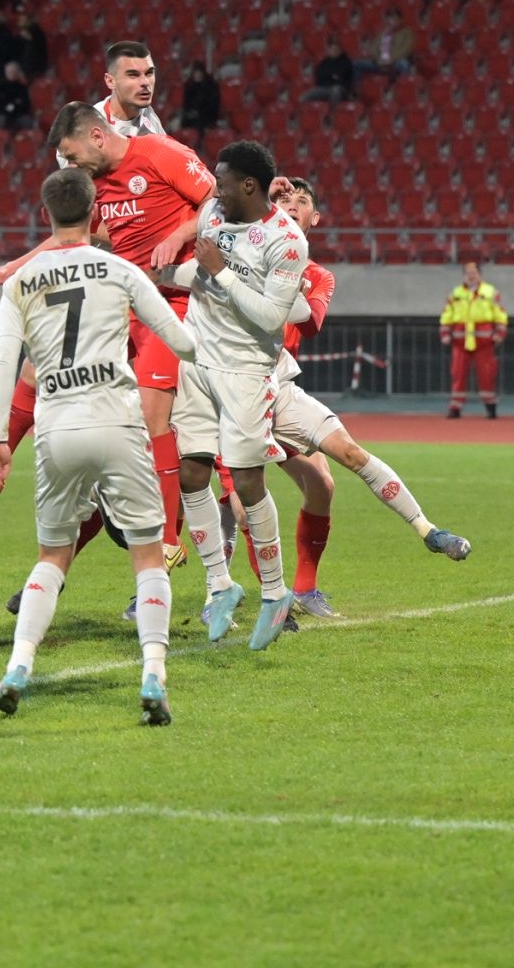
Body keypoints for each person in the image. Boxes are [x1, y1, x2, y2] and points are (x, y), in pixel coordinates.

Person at [0, 168, 197, 723]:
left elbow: (4, 361)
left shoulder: (22, 281)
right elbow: (182, 340)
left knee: (53, 555)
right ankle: (152, 674)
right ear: (97, 212)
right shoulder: (120, 270)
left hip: (57, 428)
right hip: (118, 421)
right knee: (147, 555)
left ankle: (19, 667)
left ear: (46, 216)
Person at [0, 87, 211, 557]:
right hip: (127, 299)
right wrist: (13, 266)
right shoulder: (94, 184)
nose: (70, 165)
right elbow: (75, 235)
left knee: (150, 413)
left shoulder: (161, 153)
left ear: (98, 136)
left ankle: (166, 539)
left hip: (175, 302)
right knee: (35, 370)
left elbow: (216, 201)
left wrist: (178, 234)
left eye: (72, 155)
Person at [227, 177, 473, 619]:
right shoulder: (242, 248)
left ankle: (424, 532)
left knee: (326, 480)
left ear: (314, 219)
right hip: (230, 389)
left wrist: (292, 285)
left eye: (302, 202)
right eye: (283, 198)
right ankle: (238, 593)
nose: (292, 205)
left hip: (277, 385)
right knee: (238, 507)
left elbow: (311, 322)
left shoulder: (317, 273)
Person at [162, 140, 311, 649]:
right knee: (191, 471)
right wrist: (164, 274)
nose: (214, 188)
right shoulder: (212, 213)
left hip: (247, 370)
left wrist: (221, 271)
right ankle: (219, 584)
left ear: (248, 185)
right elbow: (199, 273)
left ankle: (275, 593)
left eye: (222, 181)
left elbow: (273, 316)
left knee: (247, 481)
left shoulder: (287, 242)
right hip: (197, 359)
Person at [441, 260, 508, 418]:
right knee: (458, 374)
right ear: (463, 276)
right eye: (468, 273)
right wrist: (445, 333)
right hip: (460, 340)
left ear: (480, 275)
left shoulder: (491, 292)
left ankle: (490, 406)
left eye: (474, 273)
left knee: (487, 374)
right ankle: (455, 407)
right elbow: (446, 314)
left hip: (484, 341)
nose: (471, 276)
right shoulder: (455, 293)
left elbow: (500, 314)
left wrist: (500, 333)